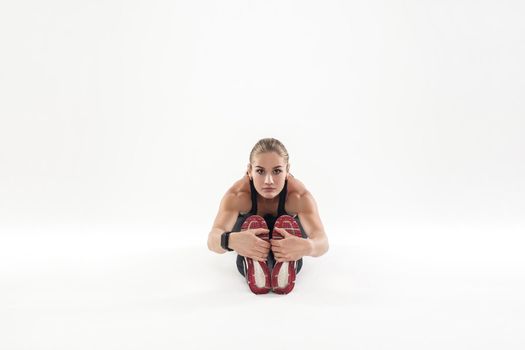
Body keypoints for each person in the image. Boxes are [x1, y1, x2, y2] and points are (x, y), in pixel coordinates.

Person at [207, 138, 329, 295]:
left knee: (293, 225)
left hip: (287, 234)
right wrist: (231, 240)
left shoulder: (298, 196)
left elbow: (322, 241)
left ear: (287, 170)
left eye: (277, 171)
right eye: (260, 171)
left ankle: (288, 259)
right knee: (246, 224)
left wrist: (307, 246)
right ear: (250, 171)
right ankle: (249, 258)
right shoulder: (238, 195)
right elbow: (212, 239)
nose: (269, 181)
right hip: (250, 233)